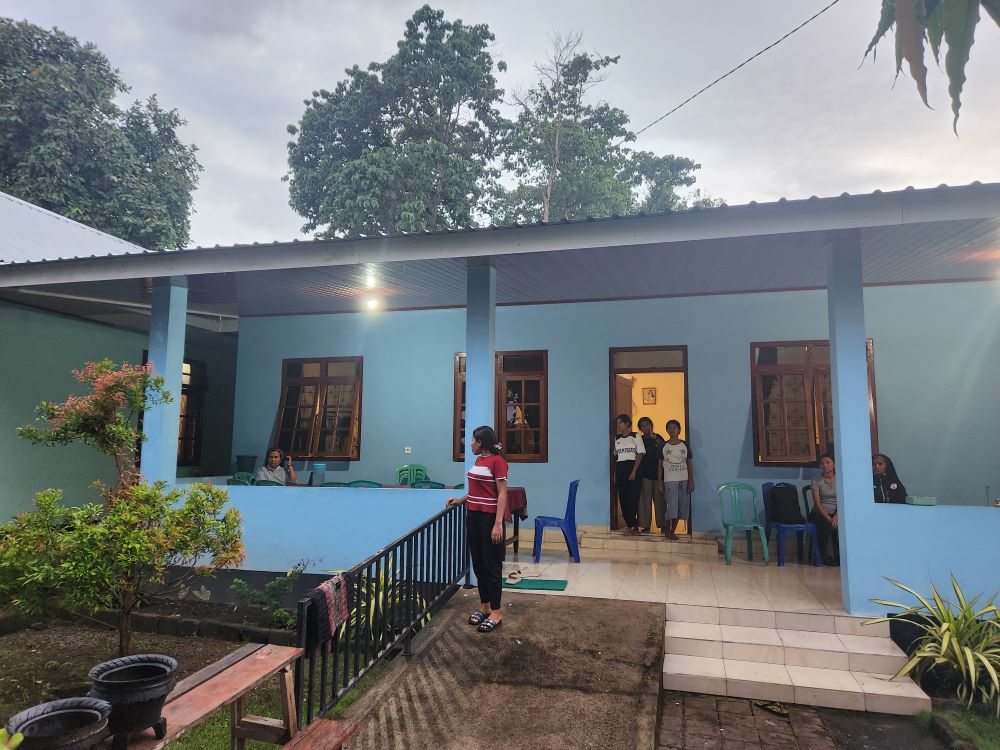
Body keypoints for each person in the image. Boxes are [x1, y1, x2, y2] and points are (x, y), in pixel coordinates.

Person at [446, 425, 508, 633]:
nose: (469, 443)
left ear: (480, 443)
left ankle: (496, 612)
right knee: (479, 564)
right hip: (472, 516)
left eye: (472, 440)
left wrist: (498, 523)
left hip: (489, 519)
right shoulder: (478, 460)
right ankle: (484, 607)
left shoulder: (498, 462)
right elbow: (476, 490)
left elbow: (501, 494)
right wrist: (460, 500)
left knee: (492, 566)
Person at [660, 419, 694, 540]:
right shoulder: (664, 445)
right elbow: (660, 465)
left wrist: (691, 481)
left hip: (683, 480)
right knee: (671, 507)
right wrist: (660, 482)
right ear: (667, 430)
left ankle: (672, 531)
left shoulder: (685, 444)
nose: (672, 430)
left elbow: (689, 463)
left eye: (674, 427)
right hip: (670, 480)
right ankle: (667, 530)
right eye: (669, 428)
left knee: (681, 507)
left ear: (679, 429)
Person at [613, 414, 644, 535]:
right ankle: (630, 525)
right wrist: (616, 474)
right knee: (623, 498)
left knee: (633, 499)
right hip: (621, 468)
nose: (618, 425)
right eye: (617, 423)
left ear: (627, 424)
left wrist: (634, 471)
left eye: (620, 422)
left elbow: (640, 455)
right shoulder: (617, 438)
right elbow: (617, 457)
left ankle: (634, 526)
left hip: (633, 468)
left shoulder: (636, 436)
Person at [808, 454, 840, 565]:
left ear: (834, 464)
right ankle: (820, 557)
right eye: (822, 463)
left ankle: (840, 559)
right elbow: (817, 504)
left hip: (837, 513)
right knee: (824, 525)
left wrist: (836, 516)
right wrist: (829, 519)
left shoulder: (841, 479)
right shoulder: (816, 481)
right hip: (820, 513)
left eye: (828, 462)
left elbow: (843, 501)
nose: (825, 465)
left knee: (843, 527)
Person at [636, 417, 666, 534]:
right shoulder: (640, 439)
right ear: (640, 428)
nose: (645, 427)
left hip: (659, 474)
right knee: (644, 501)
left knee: (660, 501)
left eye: (647, 424)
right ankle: (645, 525)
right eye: (642, 426)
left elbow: (666, 449)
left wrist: (656, 440)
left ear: (651, 425)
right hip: (645, 474)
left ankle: (663, 525)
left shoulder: (658, 437)